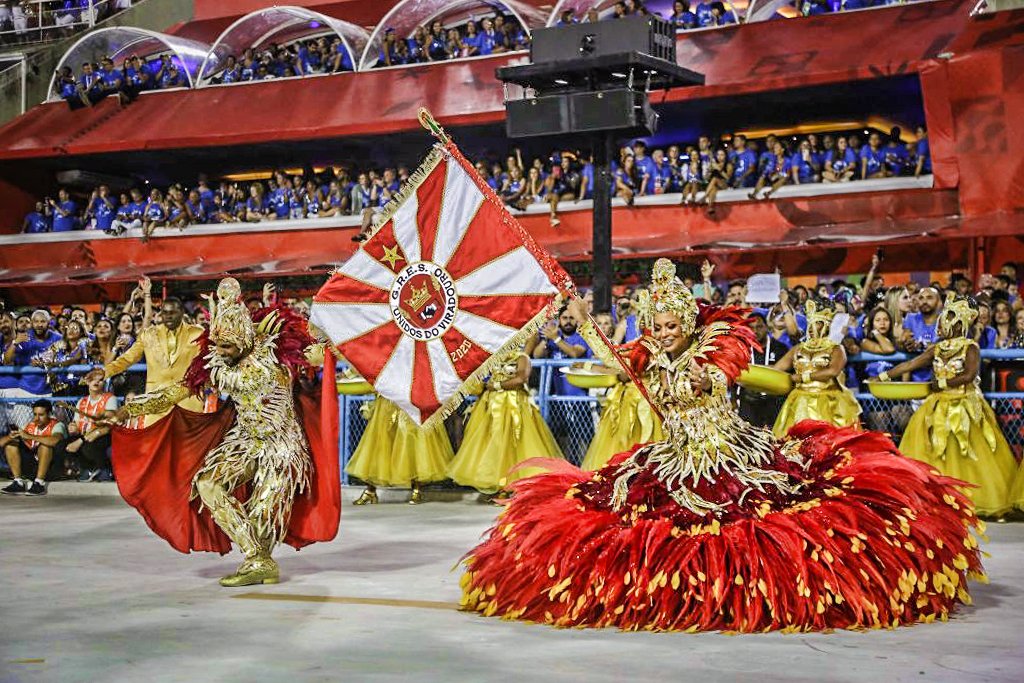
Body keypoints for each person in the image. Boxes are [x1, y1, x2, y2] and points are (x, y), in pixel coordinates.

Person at [460, 259, 983, 631]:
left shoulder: (715, 347)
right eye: (655, 326)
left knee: (746, 520)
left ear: (687, 324)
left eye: (670, 326)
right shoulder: (648, 353)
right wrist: (579, 313)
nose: (661, 334)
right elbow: (618, 362)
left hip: (726, 456)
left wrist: (675, 365)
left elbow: (712, 373)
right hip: (671, 457)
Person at [106, 278, 340, 587]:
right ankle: (258, 560)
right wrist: (130, 410)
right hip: (243, 441)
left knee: (262, 517)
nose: (221, 351)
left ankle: (259, 559)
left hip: (282, 448)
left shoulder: (278, 355)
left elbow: (325, 351)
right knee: (207, 484)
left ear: (244, 338)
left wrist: (338, 326)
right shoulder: (216, 363)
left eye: (227, 346)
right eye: (217, 345)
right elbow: (178, 391)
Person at [880, 295, 1016, 518]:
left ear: (960, 321)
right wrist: (884, 376)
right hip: (938, 405)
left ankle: (971, 499)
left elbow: (969, 374)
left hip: (965, 406)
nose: (942, 323)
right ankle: (937, 499)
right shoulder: (937, 348)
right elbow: (911, 363)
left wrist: (942, 383)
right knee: (936, 450)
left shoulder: (970, 347)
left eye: (948, 317)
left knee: (969, 452)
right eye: (943, 318)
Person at [449, 346, 563, 495]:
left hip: (515, 406)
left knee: (515, 444)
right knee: (493, 444)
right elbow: (479, 378)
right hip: (491, 407)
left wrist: (496, 385)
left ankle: (512, 485)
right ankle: (497, 483)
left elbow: (521, 378)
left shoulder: (522, 358)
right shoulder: (493, 357)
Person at [103, 297, 205, 426]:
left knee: (189, 446)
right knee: (155, 445)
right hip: (156, 404)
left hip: (188, 402)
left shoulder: (198, 333)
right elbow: (128, 358)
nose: (168, 316)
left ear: (182, 312)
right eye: (165, 312)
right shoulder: (148, 334)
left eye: (172, 312)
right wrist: (104, 372)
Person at [772, 299, 861, 436]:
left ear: (826, 325)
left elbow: (833, 371)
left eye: (817, 324)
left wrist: (803, 377)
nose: (812, 328)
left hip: (829, 402)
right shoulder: (798, 349)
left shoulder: (836, 349)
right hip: (799, 401)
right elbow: (776, 369)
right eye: (811, 323)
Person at [347, 395, 453, 505]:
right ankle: (370, 491)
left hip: (409, 398)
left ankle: (417, 489)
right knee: (380, 443)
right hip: (387, 399)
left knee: (414, 442)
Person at [532, 307, 593, 464]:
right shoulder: (553, 337)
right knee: (559, 434)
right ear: (559, 320)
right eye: (564, 318)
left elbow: (574, 353)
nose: (567, 321)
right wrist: (547, 338)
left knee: (581, 436)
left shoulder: (581, 337)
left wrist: (556, 339)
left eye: (571, 318)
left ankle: (583, 467)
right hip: (556, 397)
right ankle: (563, 466)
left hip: (578, 398)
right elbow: (536, 355)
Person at [1, 399, 67, 496]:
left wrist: (29, 436)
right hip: (32, 466)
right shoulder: (30, 425)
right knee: (11, 445)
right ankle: (18, 482)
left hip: (51, 468)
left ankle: (39, 483)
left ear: (49, 414)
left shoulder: (57, 425)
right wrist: (10, 437)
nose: (37, 418)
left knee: (45, 445)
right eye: (35, 414)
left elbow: (55, 440)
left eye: (41, 415)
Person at [734, 311, 787, 428]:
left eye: (759, 327)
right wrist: (734, 402)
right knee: (748, 440)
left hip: (774, 402)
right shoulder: (740, 349)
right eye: (751, 327)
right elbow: (732, 378)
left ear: (767, 327)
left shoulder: (780, 348)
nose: (755, 331)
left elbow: (787, 377)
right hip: (748, 402)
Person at [65, 367, 118, 481]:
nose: (96, 382)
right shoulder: (82, 401)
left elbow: (109, 421)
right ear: (87, 382)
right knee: (62, 444)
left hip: (102, 434)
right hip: (85, 434)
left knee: (88, 446)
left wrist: (103, 415)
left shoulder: (110, 398)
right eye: (93, 379)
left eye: (100, 380)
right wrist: (73, 428)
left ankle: (104, 469)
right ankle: (85, 469)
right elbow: (76, 423)